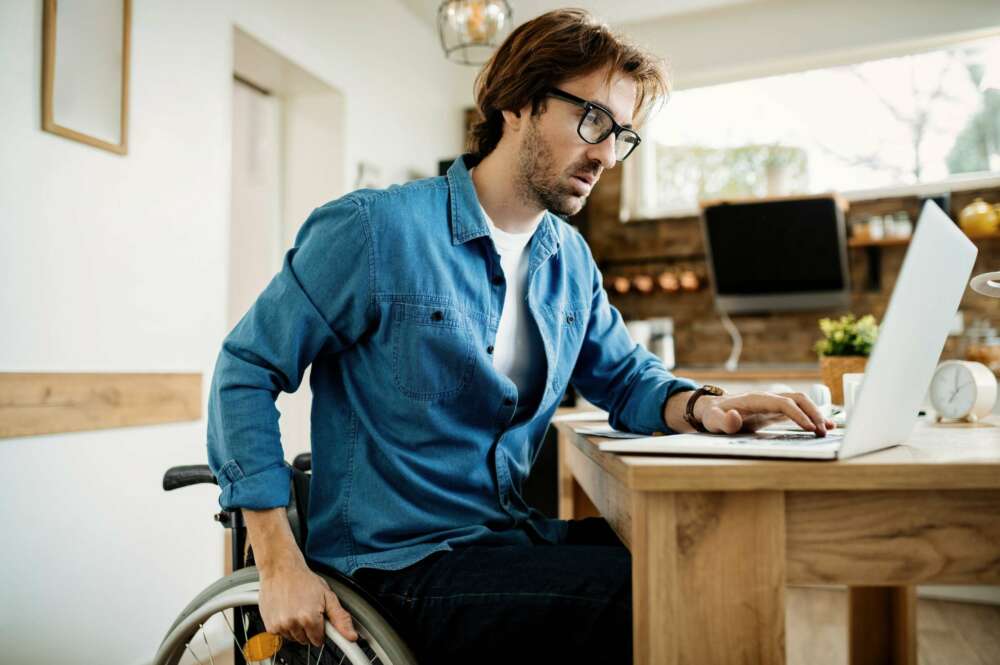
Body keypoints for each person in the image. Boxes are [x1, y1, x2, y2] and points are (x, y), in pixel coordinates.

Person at [206, 8, 833, 664]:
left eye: (622, 135)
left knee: (700, 555)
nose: (606, 154)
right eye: (592, 120)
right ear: (518, 105)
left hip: (505, 540)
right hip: (392, 571)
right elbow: (244, 369)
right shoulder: (375, 230)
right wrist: (278, 560)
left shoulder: (569, 259)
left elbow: (623, 376)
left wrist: (707, 404)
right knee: (641, 594)